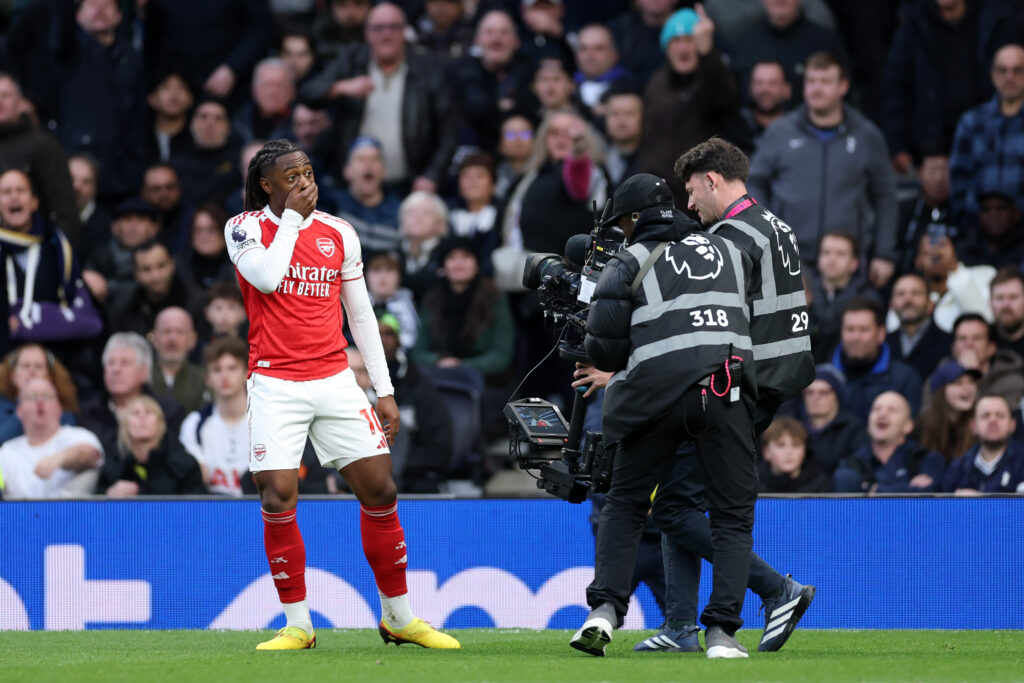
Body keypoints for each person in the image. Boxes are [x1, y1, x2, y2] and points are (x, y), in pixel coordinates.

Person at [226, 138, 458, 650]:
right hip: (275, 382)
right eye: (290, 177)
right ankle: (298, 626)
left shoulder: (339, 232)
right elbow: (265, 278)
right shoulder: (244, 227)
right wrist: (289, 220)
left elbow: (362, 316)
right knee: (278, 494)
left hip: (335, 378)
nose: (303, 182)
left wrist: (385, 388)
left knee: (381, 490)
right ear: (267, 185)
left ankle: (398, 617)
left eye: (307, 172)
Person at [571, 173, 760, 659]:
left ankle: (605, 612)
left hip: (656, 395)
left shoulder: (628, 259)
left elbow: (605, 351)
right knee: (732, 519)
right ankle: (721, 634)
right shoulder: (731, 251)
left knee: (626, 504)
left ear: (632, 219)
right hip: (725, 389)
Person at [675, 136, 815, 432]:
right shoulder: (776, 224)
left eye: (691, 191)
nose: (689, 204)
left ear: (711, 181)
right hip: (781, 376)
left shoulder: (730, 237)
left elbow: (713, 322)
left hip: (745, 386)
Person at [748, 52, 898, 285]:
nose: (816, 89)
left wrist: (884, 253)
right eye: (811, 81)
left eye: (825, 82)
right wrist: (766, 236)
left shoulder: (867, 135)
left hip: (848, 263)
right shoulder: (780, 132)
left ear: (843, 86)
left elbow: (886, 196)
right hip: (788, 258)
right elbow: (754, 183)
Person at [300, 3, 456, 193]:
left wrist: (432, 175)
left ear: (404, 31)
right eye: (378, 28)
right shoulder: (353, 60)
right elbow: (308, 94)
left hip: (411, 184)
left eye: (394, 27)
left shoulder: (428, 67)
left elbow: (449, 130)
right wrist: (341, 87)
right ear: (367, 33)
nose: (386, 34)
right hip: (356, 189)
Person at [882, 0, 1017, 174]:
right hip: (933, 144)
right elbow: (896, 87)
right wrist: (898, 143)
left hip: (991, 137)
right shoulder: (913, 24)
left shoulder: (994, 17)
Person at [634, 6, 738, 206]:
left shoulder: (711, 76)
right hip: (657, 194)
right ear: (667, 48)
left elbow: (725, 97)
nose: (683, 47)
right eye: (675, 41)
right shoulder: (656, 82)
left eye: (689, 40)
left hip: (700, 196)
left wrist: (708, 53)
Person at [0, 169, 103, 359]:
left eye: (21, 190)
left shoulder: (57, 246)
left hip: (55, 360)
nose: (14, 197)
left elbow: (81, 314)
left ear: (34, 202)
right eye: (6, 192)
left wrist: (25, 325)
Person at [411, 236, 514, 383]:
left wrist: (461, 366)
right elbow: (418, 352)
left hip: (487, 382)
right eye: (451, 258)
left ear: (477, 263)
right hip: (439, 378)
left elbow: (502, 354)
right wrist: (439, 361)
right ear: (443, 266)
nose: (458, 263)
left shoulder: (494, 297)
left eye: (466, 257)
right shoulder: (432, 298)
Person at [77, 332, 186, 463]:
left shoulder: (168, 412)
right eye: (110, 363)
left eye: (125, 363)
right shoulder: (87, 412)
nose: (116, 369)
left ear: (144, 371)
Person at [950, 44, 1024, 223]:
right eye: (1003, 70)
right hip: (978, 232)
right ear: (993, 74)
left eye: (1017, 70)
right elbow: (958, 177)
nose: (1009, 77)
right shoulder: (972, 122)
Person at [0, 377, 102, 499]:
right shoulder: (7, 451)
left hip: (70, 515)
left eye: (47, 396)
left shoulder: (78, 436)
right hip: (20, 516)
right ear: (19, 411)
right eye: (31, 396)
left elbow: (90, 454)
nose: (39, 401)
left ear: (59, 408)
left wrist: (59, 458)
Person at [832, 391, 946, 494]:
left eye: (892, 410)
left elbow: (928, 496)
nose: (882, 414)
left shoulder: (926, 459)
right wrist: (908, 488)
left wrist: (873, 490)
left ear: (908, 425)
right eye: (876, 409)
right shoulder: (852, 463)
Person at [831, 296, 922, 422]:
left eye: (864, 329)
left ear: (881, 334)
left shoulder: (905, 379)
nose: (855, 337)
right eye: (849, 329)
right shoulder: (824, 378)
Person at [179, 337, 251, 496]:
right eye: (217, 370)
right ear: (207, 379)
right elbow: (196, 480)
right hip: (211, 510)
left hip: (258, 508)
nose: (225, 376)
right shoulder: (193, 424)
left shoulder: (266, 422)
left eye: (232, 368)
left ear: (246, 373)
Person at [97, 394, 206, 496]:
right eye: (135, 413)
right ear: (125, 424)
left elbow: (198, 508)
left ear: (160, 423)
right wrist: (109, 495)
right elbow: (93, 507)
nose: (142, 417)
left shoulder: (183, 463)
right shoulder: (112, 462)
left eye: (149, 412)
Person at [912, 230, 996, 333]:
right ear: (918, 261)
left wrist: (955, 270)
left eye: (942, 246)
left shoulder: (984, 275)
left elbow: (985, 321)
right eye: (928, 252)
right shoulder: (909, 291)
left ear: (954, 252)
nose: (936, 254)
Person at [808, 232, 873, 363]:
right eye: (826, 253)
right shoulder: (802, 291)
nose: (832, 259)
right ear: (819, 259)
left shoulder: (867, 297)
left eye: (840, 254)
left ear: (854, 263)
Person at [331, 137, 402, 253]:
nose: (368, 165)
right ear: (347, 171)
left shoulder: (399, 212)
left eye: (375, 159)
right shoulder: (330, 207)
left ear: (384, 171)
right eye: (361, 159)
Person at [942, 394, 1024, 494]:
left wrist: (982, 503)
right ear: (973, 426)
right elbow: (942, 507)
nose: (993, 420)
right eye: (985, 416)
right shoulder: (958, 468)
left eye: (1000, 415)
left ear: (1013, 424)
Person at [0, 344, 78, 444]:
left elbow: (69, 440)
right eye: (25, 366)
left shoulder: (62, 408)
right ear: (12, 374)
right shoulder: (1, 406)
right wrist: (25, 405)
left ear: (50, 376)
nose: (32, 371)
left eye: (38, 366)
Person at [944, 313, 1024, 408]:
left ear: (991, 348)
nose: (969, 344)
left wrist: (974, 379)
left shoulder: (1011, 381)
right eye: (962, 338)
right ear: (953, 348)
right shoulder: (941, 377)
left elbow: (992, 418)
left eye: (977, 338)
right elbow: (929, 418)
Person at [798, 364, 864, 476]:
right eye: (810, 392)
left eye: (823, 392)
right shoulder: (796, 429)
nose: (815, 397)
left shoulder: (854, 430)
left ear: (837, 396)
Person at [885, 272, 952, 382]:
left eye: (916, 293)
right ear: (891, 304)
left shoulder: (948, 343)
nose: (908, 299)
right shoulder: (883, 344)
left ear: (930, 304)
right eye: (901, 294)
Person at [915, 360, 981, 465]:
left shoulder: (980, 424)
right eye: (958, 383)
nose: (967, 388)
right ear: (940, 391)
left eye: (971, 382)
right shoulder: (923, 425)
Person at [148, 307, 208, 414]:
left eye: (180, 332)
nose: (172, 338)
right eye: (166, 331)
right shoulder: (142, 377)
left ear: (192, 339)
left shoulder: (206, 379)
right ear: (154, 338)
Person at [758, 416, 830, 493]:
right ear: (766, 452)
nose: (789, 451)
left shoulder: (820, 484)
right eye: (781, 445)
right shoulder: (753, 484)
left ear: (805, 450)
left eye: (796, 445)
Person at [959, 190, 1024, 270]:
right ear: (979, 215)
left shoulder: (1021, 248)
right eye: (986, 209)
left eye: (1001, 208)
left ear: (1016, 213)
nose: (993, 214)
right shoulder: (966, 247)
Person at [989, 266, 1024, 359]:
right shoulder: (980, 339)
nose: (1006, 305)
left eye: (1013, 297)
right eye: (1000, 298)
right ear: (990, 303)